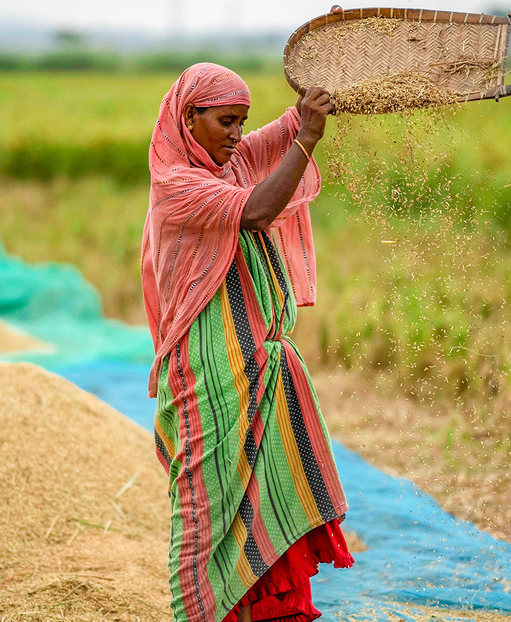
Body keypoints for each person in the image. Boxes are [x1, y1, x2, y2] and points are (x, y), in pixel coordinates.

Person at [141, 62, 352, 622]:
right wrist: (306, 138)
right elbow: (258, 212)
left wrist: (333, 75)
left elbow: (284, 134)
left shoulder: (229, 163)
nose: (237, 136)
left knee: (262, 497)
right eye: (226, 122)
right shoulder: (178, 187)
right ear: (189, 119)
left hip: (255, 362)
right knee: (204, 512)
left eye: (242, 123)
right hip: (208, 374)